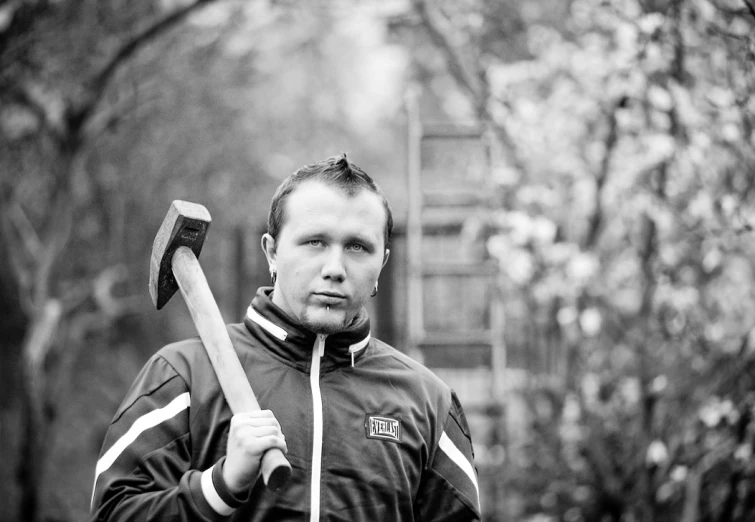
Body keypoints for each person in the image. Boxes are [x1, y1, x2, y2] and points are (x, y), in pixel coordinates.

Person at [90, 154, 481, 521]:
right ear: (272, 253)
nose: (335, 268)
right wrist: (218, 487)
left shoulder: (429, 403)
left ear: (383, 264)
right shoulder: (182, 377)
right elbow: (114, 511)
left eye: (358, 247)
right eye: (315, 242)